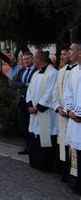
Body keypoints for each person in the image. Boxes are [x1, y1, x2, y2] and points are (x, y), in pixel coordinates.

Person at [26, 51, 58, 173]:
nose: (33, 60)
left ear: (39, 59)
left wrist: (38, 107)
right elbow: (29, 91)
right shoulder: (35, 74)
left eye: (34, 58)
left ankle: (46, 165)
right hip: (34, 113)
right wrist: (29, 105)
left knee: (46, 136)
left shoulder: (53, 73)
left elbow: (50, 93)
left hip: (45, 113)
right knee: (35, 135)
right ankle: (35, 162)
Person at [53, 43, 78, 182]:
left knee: (74, 147)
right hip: (63, 114)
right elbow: (55, 91)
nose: (64, 56)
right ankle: (65, 174)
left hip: (75, 115)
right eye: (62, 54)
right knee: (64, 145)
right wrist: (58, 107)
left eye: (66, 53)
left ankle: (74, 176)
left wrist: (71, 110)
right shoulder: (61, 72)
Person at [10, 51, 37, 155]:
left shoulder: (36, 71)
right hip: (21, 102)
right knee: (24, 125)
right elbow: (13, 83)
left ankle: (33, 148)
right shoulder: (21, 71)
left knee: (32, 126)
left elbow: (32, 87)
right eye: (24, 59)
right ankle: (27, 147)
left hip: (31, 102)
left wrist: (22, 86)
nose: (25, 61)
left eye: (27, 59)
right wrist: (24, 84)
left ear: (32, 59)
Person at [63, 42, 81, 194]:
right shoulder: (74, 72)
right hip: (74, 120)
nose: (69, 52)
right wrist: (70, 110)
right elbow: (68, 93)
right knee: (75, 152)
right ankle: (76, 183)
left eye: (71, 49)